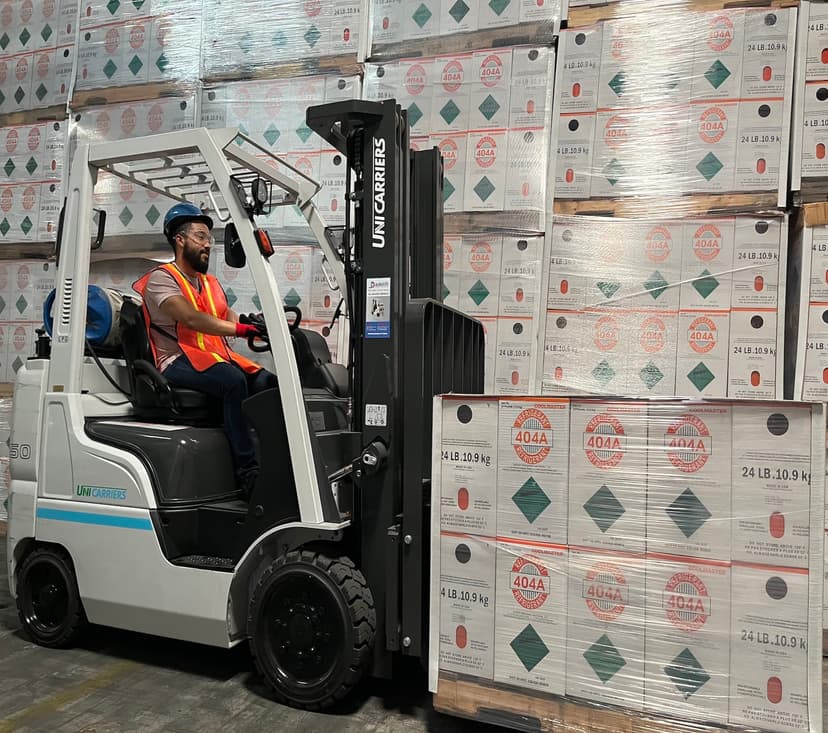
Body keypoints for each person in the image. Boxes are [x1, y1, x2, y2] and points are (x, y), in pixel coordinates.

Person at [133, 202, 276, 496]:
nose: (207, 244)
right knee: (233, 382)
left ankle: (276, 463)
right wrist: (239, 330)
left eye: (209, 239)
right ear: (179, 239)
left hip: (212, 357)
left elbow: (225, 315)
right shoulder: (162, 278)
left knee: (268, 382)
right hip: (176, 361)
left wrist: (258, 324)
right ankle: (249, 474)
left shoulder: (209, 283)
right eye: (200, 237)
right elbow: (191, 317)